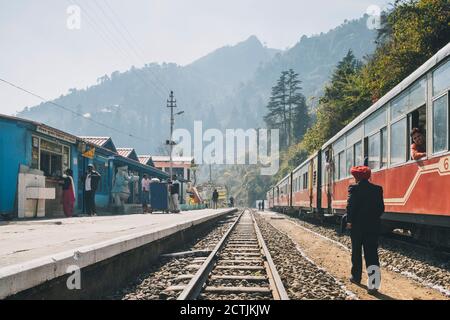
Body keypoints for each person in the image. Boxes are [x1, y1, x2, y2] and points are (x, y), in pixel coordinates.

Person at [346, 166, 384, 294]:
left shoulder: (353, 188)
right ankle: (374, 285)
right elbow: (381, 209)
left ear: (356, 177)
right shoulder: (378, 189)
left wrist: (349, 222)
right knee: (372, 254)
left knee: (356, 252)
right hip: (373, 227)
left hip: (357, 227)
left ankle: (356, 277)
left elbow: (350, 207)